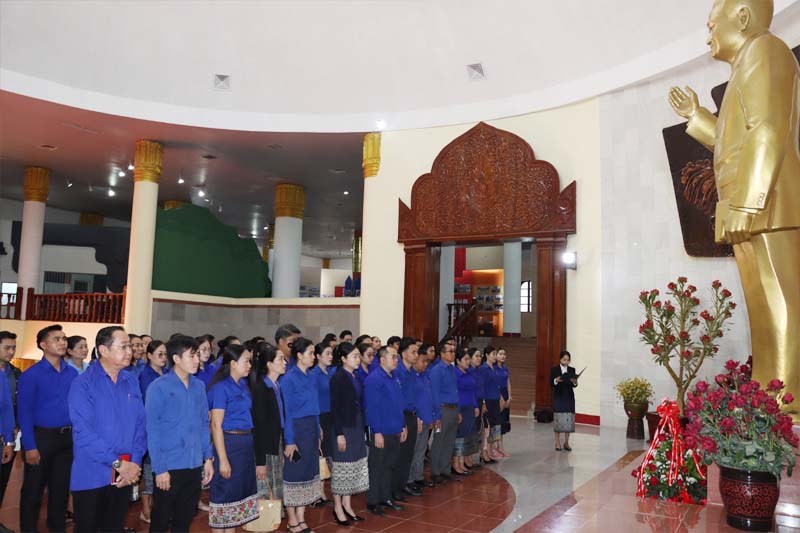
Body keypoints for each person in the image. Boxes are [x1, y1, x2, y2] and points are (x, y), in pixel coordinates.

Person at [669, 0, 800, 423]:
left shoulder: (766, 50)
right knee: (760, 311)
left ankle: (788, 402)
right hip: (749, 205)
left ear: (742, 17)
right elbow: (732, 142)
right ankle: (766, 395)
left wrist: (748, 200)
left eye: (713, 25)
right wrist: (696, 116)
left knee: (781, 303)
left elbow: (768, 128)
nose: (708, 35)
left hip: (769, 204)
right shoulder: (743, 67)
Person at [68, 325, 146, 532]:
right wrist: (118, 463)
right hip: (92, 474)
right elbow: (84, 433)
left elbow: (140, 424)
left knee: (114, 527)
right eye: (124, 346)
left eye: (129, 346)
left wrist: (134, 463)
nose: (129, 351)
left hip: (124, 475)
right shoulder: (83, 383)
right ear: (104, 350)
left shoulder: (130, 380)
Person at [146, 335, 214, 533]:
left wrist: (208, 458)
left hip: (193, 463)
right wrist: (160, 468)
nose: (197, 360)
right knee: (160, 520)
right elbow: (153, 430)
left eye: (197, 355)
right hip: (169, 465)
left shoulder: (199, 386)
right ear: (176, 358)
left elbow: (203, 424)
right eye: (192, 356)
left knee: (184, 520)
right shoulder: (158, 387)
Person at [17, 324, 78, 533]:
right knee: (33, 491)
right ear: (43, 345)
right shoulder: (31, 375)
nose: (62, 342)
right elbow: (24, 413)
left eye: (64, 339)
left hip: (67, 439)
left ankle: (57, 527)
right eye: (56, 339)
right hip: (41, 438)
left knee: (60, 491)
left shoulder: (72, 373)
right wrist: (30, 447)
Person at [207, 344, 259, 531]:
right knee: (224, 495)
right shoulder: (221, 388)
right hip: (229, 444)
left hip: (245, 444)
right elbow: (216, 425)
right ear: (233, 363)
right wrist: (223, 460)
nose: (249, 365)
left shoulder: (244, 385)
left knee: (237, 497)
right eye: (246, 361)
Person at [281, 338, 321, 533]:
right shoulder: (288, 378)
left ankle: (302, 517)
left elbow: (315, 405)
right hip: (297, 430)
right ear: (299, 355)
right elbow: (287, 412)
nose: (313, 357)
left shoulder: (311, 376)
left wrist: (318, 428)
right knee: (294, 474)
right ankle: (292, 520)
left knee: (308, 473)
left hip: (311, 428)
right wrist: (290, 441)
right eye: (310, 353)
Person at [364, 345, 407, 515]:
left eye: (397, 357)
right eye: (393, 357)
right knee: (377, 466)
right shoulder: (374, 379)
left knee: (389, 465)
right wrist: (377, 431)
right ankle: (373, 501)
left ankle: (385, 497)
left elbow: (399, 404)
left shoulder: (395, 377)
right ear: (382, 359)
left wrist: (403, 425)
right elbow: (372, 408)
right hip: (381, 431)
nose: (396, 360)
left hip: (395, 429)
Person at [329, 343, 368, 526]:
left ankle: (347, 504)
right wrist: (339, 434)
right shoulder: (338, 378)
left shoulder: (355, 376)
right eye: (354, 356)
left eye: (358, 356)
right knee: (342, 467)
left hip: (356, 424)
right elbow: (335, 408)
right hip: (344, 427)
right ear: (343, 359)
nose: (358, 359)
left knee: (353, 465)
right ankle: (338, 507)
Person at [250, 343, 286, 516]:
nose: (285, 362)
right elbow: (258, 427)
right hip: (266, 446)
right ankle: (266, 520)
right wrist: (260, 462)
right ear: (270, 364)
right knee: (266, 486)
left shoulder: (276, 385)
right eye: (280, 359)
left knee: (276, 483)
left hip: (276, 441)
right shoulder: (261, 388)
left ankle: (275, 517)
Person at [138, 340, 168, 524]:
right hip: (151, 428)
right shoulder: (145, 375)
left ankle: (157, 508)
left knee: (161, 471)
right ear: (149, 356)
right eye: (160, 354)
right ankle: (146, 510)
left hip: (166, 429)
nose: (164, 358)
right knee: (148, 471)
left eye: (165, 354)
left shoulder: (167, 373)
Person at [394, 338, 421, 499]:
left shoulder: (412, 372)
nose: (416, 355)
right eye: (413, 352)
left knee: (408, 453)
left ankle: (403, 484)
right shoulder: (398, 372)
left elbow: (414, 397)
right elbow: (398, 399)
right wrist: (402, 422)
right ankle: (395, 488)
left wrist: (417, 417)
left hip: (412, 415)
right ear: (404, 354)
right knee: (400, 454)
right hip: (401, 416)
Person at [428, 342, 459, 485]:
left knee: (449, 441)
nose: (453, 354)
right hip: (443, 410)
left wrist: (458, 411)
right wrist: (437, 415)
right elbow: (434, 394)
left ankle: (445, 470)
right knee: (439, 441)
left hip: (453, 409)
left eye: (454, 351)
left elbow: (455, 391)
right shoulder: (437, 370)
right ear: (442, 354)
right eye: (450, 351)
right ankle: (435, 472)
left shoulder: (452, 369)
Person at [310, 342, 334, 506]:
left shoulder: (330, 373)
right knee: (321, 455)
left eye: (331, 353)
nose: (330, 357)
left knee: (327, 455)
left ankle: (322, 491)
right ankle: (318, 494)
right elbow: (313, 401)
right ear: (318, 356)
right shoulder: (314, 375)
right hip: (320, 416)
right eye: (327, 353)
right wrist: (317, 424)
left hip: (331, 416)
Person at [0, 330, 20, 521]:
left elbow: (9, 407)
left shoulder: (14, 373)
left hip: (6, 434)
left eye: (13, 348)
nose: (11, 352)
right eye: (7, 348)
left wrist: (9, 439)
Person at [408, 351, 434, 491]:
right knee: (412, 450)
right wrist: (417, 417)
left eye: (427, 361)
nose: (425, 364)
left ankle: (418, 477)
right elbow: (412, 400)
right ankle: (409, 479)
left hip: (426, 419)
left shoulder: (425, 376)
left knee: (421, 450)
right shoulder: (411, 377)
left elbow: (429, 398)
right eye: (423, 361)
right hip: (416, 419)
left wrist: (431, 418)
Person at [454, 351, 479, 475]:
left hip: (470, 407)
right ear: (458, 361)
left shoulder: (469, 373)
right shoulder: (455, 373)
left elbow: (473, 391)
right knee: (459, 435)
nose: (468, 362)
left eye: (469, 359)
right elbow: (455, 393)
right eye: (466, 359)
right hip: (460, 408)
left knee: (467, 434)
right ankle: (456, 463)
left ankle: (462, 461)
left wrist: (476, 406)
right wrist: (458, 410)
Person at [479, 346, 503, 461]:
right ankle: (483, 452)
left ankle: (490, 451)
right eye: (493, 354)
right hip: (487, 400)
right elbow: (481, 386)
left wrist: (500, 397)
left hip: (495, 399)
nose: (495, 356)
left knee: (494, 425)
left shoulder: (495, 368)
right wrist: (483, 402)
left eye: (495, 354)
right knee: (487, 427)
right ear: (487, 355)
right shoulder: (483, 369)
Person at [551, 350, 578, 451]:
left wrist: (575, 382)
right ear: (560, 359)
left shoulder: (572, 369)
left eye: (568, 360)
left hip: (569, 397)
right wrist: (556, 380)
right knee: (558, 418)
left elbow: (574, 385)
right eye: (564, 359)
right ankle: (557, 442)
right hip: (559, 397)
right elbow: (550, 383)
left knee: (569, 419)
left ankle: (566, 442)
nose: (566, 362)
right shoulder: (554, 370)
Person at [496, 348, 512, 458]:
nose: (503, 356)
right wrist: (501, 398)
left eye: (504, 354)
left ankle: (500, 447)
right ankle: (496, 447)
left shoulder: (505, 368)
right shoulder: (494, 368)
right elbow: (494, 384)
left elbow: (508, 382)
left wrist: (509, 397)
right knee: (497, 422)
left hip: (505, 394)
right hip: (497, 395)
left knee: (503, 422)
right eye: (500, 354)